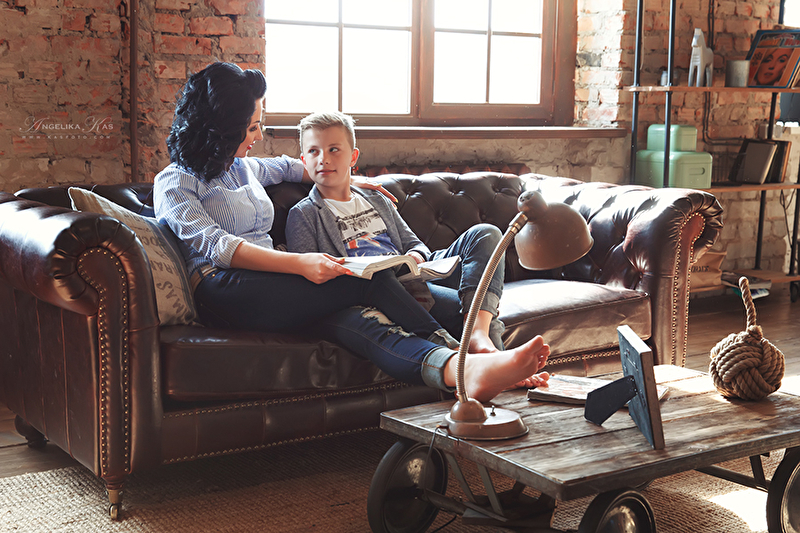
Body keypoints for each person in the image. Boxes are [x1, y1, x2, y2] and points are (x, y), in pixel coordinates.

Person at [153, 62, 550, 402]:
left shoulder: (242, 167)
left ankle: (472, 361)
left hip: (270, 283)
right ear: (222, 130)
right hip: (223, 289)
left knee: (380, 297)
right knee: (366, 279)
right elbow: (219, 247)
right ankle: (462, 359)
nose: (258, 136)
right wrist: (300, 264)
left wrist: (348, 177)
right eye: (252, 127)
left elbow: (293, 166)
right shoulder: (174, 182)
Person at [287, 111, 506, 355]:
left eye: (334, 150)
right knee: (470, 310)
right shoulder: (304, 214)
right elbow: (310, 284)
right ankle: (495, 357)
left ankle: (477, 332)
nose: (323, 159)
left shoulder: (376, 198)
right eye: (313, 151)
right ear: (304, 160)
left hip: (414, 276)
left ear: (353, 156)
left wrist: (416, 256)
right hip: (381, 290)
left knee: (487, 234)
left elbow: (414, 244)